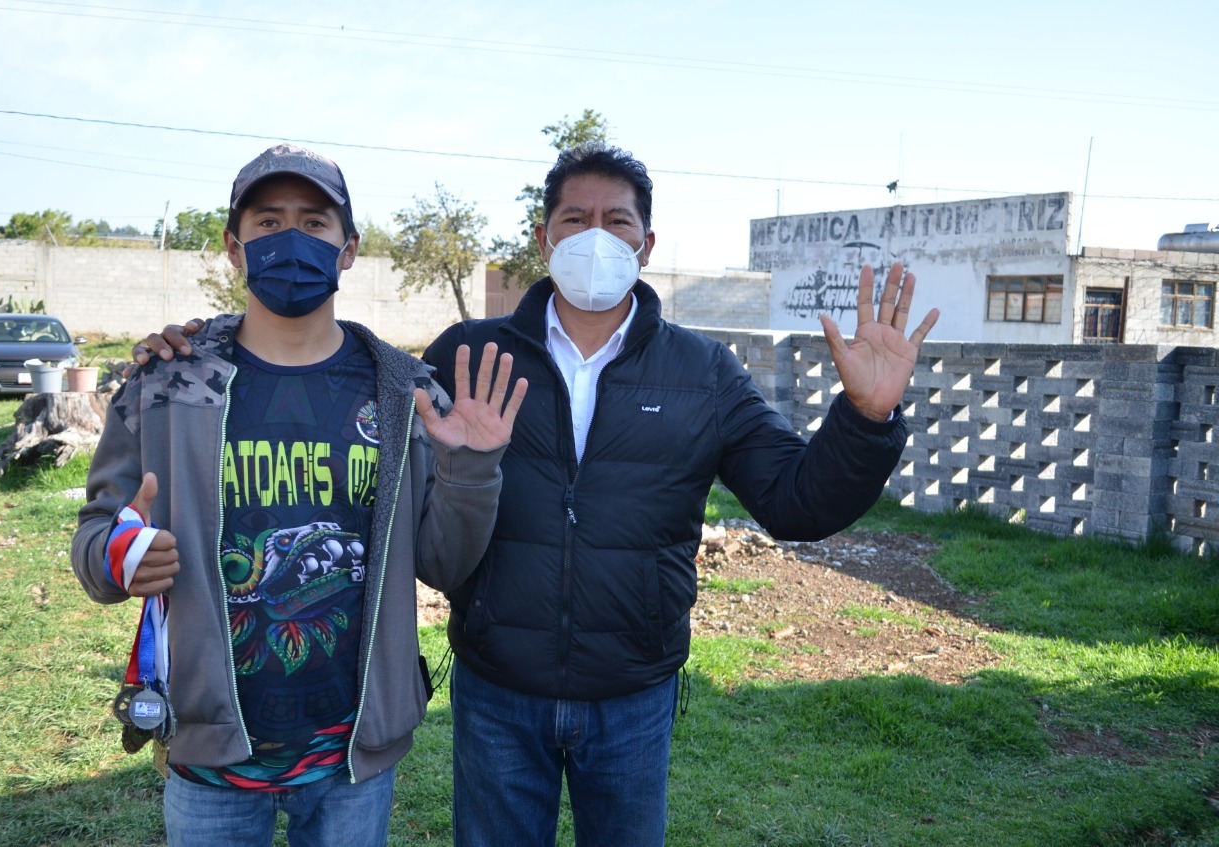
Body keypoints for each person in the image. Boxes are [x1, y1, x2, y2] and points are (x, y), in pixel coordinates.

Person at [136, 141, 938, 846]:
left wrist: (866, 419)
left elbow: (798, 501)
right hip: (496, 692)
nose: (596, 236)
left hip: (632, 693)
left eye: (617, 222)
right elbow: (344, 390)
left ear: (647, 243)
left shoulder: (703, 372)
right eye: (573, 219)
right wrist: (197, 342)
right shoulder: (468, 354)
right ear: (543, 237)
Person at [75, 142, 526, 847]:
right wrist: (115, 557)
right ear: (234, 246)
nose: (291, 238)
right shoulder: (167, 384)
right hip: (209, 754)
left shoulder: (407, 393)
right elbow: (99, 532)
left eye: (315, 223)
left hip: (350, 755)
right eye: (267, 222)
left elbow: (444, 562)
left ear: (349, 249)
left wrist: (472, 470)